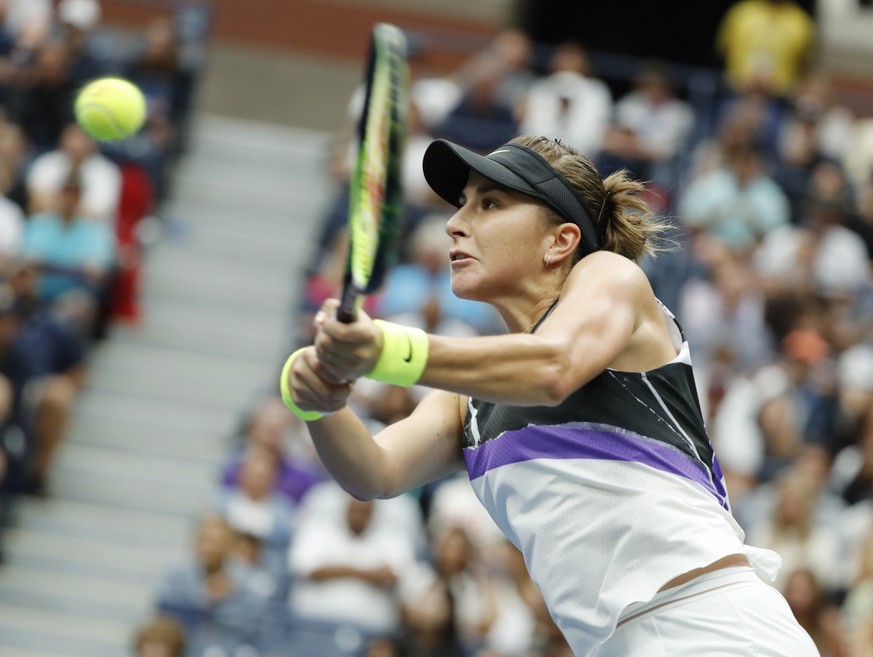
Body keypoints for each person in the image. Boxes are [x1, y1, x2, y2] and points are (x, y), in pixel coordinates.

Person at [280, 134, 821, 656]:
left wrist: (384, 352)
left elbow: (554, 367)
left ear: (560, 241)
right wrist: (316, 397)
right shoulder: (468, 401)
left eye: (489, 204)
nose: (454, 223)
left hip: (711, 627)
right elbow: (374, 472)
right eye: (461, 204)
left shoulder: (612, 278)